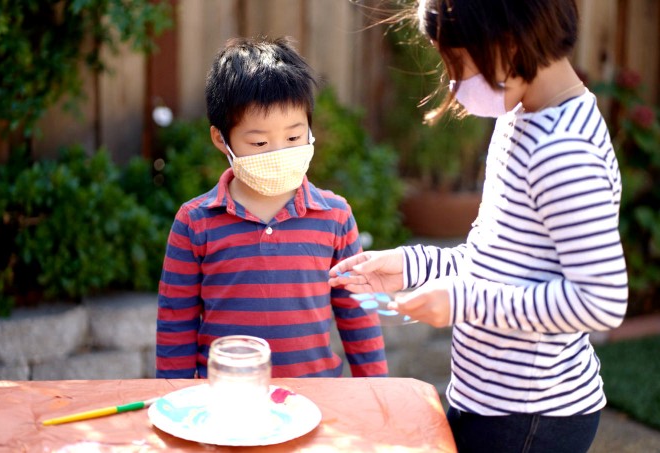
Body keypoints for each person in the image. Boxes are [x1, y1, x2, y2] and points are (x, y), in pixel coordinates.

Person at [330, 1, 628, 452]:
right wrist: (412, 265)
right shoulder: (521, 119)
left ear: (507, 43)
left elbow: (600, 302)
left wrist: (462, 301)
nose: (454, 84)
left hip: (531, 419)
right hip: (492, 402)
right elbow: (494, 256)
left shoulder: (562, 152)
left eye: (459, 64)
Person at [156, 36, 388, 380]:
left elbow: (357, 314)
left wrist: (377, 390)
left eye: (293, 138)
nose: (279, 151)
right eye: (260, 142)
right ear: (222, 139)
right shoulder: (195, 222)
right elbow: (176, 320)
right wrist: (172, 397)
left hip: (317, 397)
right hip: (228, 398)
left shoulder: (335, 216)